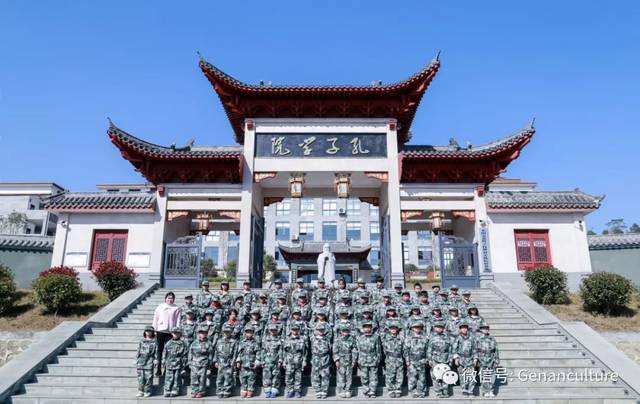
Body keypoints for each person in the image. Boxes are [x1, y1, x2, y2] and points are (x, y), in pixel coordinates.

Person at [152, 291, 182, 376]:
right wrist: (154, 329)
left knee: (169, 351)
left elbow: (178, 321)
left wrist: (177, 331)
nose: (170, 300)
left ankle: (166, 369)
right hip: (160, 330)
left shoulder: (176, 308)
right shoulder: (160, 307)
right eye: (168, 298)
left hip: (170, 332)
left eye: (171, 298)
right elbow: (155, 318)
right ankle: (158, 369)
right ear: (165, 299)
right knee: (159, 350)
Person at [428, 320, 454, 398]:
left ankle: (445, 391)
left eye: (440, 327)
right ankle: (438, 392)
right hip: (435, 360)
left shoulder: (447, 338)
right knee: (436, 376)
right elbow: (429, 349)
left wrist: (450, 359)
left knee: (445, 376)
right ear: (435, 328)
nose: (439, 329)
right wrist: (429, 359)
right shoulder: (432, 338)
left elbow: (450, 349)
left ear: (443, 329)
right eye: (437, 327)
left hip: (445, 359)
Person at [355, 321, 380, 398]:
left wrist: (378, 359)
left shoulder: (375, 337)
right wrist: (358, 359)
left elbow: (378, 349)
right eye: (365, 327)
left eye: (369, 327)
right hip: (363, 359)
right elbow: (358, 350)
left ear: (371, 328)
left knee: (374, 377)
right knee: (364, 377)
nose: (367, 328)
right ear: (363, 328)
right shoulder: (359, 338)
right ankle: (366, 390)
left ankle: (372, 391)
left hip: (373, 359)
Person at [404, 321, 428, 398]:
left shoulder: (424, 338)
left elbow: (427, 349)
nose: (417, 329)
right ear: (412, 329)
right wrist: (407, 360)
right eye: (415, 327)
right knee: (412, 377)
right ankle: (413, 391)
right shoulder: (408, 338)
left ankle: (421, 391)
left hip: (421, 360)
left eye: (419, 327)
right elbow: (406, 350)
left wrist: (427, 358)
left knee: (422, 377)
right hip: (412, 360)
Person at [213, 324, 238, 398]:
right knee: (219, 377)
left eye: (228, 332)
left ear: (231, 332)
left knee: (228, 377)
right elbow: (216, 352)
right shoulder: (219, 341)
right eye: (225, 332)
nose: (227, 333)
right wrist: (216, 361)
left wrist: (233, 361)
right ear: (223, 332)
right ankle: (219, 391)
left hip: (229, 361)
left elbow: (235, 353)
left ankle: (227, 391)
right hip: (220, 361)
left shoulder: (234, 341)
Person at [283, 323, 307, 398]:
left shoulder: (302, 339)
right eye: (293, 330)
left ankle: (297, 391)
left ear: (299, 330)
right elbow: (284, 351)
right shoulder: (287, 339)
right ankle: (290, 390)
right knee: (288, 376)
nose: (295, 331)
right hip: (289, 360)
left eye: (296, 329)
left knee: (298, 376)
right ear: (290, 330)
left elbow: (305, 352)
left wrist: (304, 360)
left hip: (298, 360)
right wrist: (284, 361)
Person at [475, 323, 500, 397]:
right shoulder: (478, 339)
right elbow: (475, 350)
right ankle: (486, 391)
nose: (485, 329)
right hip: (482, 359)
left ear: (488, 329)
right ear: (480, 329)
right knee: (484, 376)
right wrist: (476, 359)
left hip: (491, 359)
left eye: (486, 328)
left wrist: (496, 359)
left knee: (492, 376)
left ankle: (491, 390)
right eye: (483, 328)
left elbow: (496, 350)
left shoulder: (492, 338)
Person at [452, 321, 476, 396]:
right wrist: (456, 358)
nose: (464, 329)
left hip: (470, 358)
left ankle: (471, 390)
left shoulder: (472, 338)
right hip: (461, 359)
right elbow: (454, 349)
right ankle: (464, 389)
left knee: (471, 375)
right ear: (460, 329)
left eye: (465, 328)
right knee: (462, 376)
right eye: (462, 328)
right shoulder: (457, 338)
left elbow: (475, 349)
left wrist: (475, 359)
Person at [162, 327, 187, 397]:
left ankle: (175, 390)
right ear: (172, 334)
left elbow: (185, 354)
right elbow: (164, 353)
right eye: (174, 333)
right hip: (169, 362)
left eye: (177, 333)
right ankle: (167, 390)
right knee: (168, 377)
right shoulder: (168, 343)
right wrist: (163, 361)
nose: (175, 334)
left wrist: (184, 365)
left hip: (178, 363)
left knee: (177, 378)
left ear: (180, 334)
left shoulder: (183, 343)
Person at [333, 323, 356, 398]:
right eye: (344, 331)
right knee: (341, 376)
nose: (345, 332)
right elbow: (335, 351)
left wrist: (353, 360)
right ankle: (341, 390)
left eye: (347, 331)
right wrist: (336, 360)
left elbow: (354, 350)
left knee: (349, 376)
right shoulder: (337, 340)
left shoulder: (352, 339)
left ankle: (348, 390)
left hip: (349, 359)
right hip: (341, 360)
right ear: (341, 332)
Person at [381, 320, 404, 398]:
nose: (393, 330)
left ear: (397, 329)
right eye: (391, 328)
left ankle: (398, 389)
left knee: (399, 375)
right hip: (390, 359)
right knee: (390, 375)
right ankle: (390, 389)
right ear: (389, 330)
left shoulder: (400, 338)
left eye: (395, 328)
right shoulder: (386, 339)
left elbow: (403, 349)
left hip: (399, 359)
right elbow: (384, 350)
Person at [188, 326, 213, 398]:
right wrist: (189, 362)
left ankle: (201, 392)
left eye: (204, 333)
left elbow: (210, 355)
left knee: (202, 378)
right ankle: (194, 391)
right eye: (201, 333)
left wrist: (209, 366)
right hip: (194, 363)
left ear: (206, 334)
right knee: (194, 378)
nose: (202, 334)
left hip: (204, 363)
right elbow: (190, 353)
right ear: (198, 334)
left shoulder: (208, 343)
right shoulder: (194, 343)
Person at [260, 323, 284, 398]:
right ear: (269, 331)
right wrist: (262, 360)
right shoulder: (265, 339)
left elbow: (281, 350)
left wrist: (280, 360)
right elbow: (262, 350)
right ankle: (267, 391)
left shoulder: (279, 339)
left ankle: (274, 391)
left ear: (277, 331)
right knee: (266, 376)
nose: (273, 332)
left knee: (276, 376)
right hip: (267, 360)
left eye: (274, 330)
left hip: (276, 360)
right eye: (271, 330)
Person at [236, 326, 261, 398]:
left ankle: (250, 390)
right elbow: (239, 353)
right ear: (245, 333)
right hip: (243, 364)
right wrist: (238, 361)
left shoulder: (255, 343)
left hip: (251, 364)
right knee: (243, 378)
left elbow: (258, 353)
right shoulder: (242, 342)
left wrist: (257, 362)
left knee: (251, 378)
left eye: (250, 332)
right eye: (247, 332)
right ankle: (244, 390)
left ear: (253, 333)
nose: (249, 334)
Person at [310, 322, 332, 399]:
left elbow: (330, 349)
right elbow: (310, 330)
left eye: (322, 330)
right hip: (316, 358)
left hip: (325, 358)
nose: (320, 331)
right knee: (315, 375)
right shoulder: (312, 338)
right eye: (319, 330)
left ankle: (324, 391)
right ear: (316, 330)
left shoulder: (327, 339)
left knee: (325, 375)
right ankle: (317, 390)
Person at [135, 326, 157, 398]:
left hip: (149, 360)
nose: (148, 332)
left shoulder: (155, 341)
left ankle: (147, 391)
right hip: (141, 360)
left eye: (150, 331)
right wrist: (136, 359)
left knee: (148, 377)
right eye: (147, 331)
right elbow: (138, 350)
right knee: (140, 377)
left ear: (152, 332)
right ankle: (140, 390)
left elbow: (157, 352)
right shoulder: (142, 341)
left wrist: (156, 359)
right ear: (144, 332)